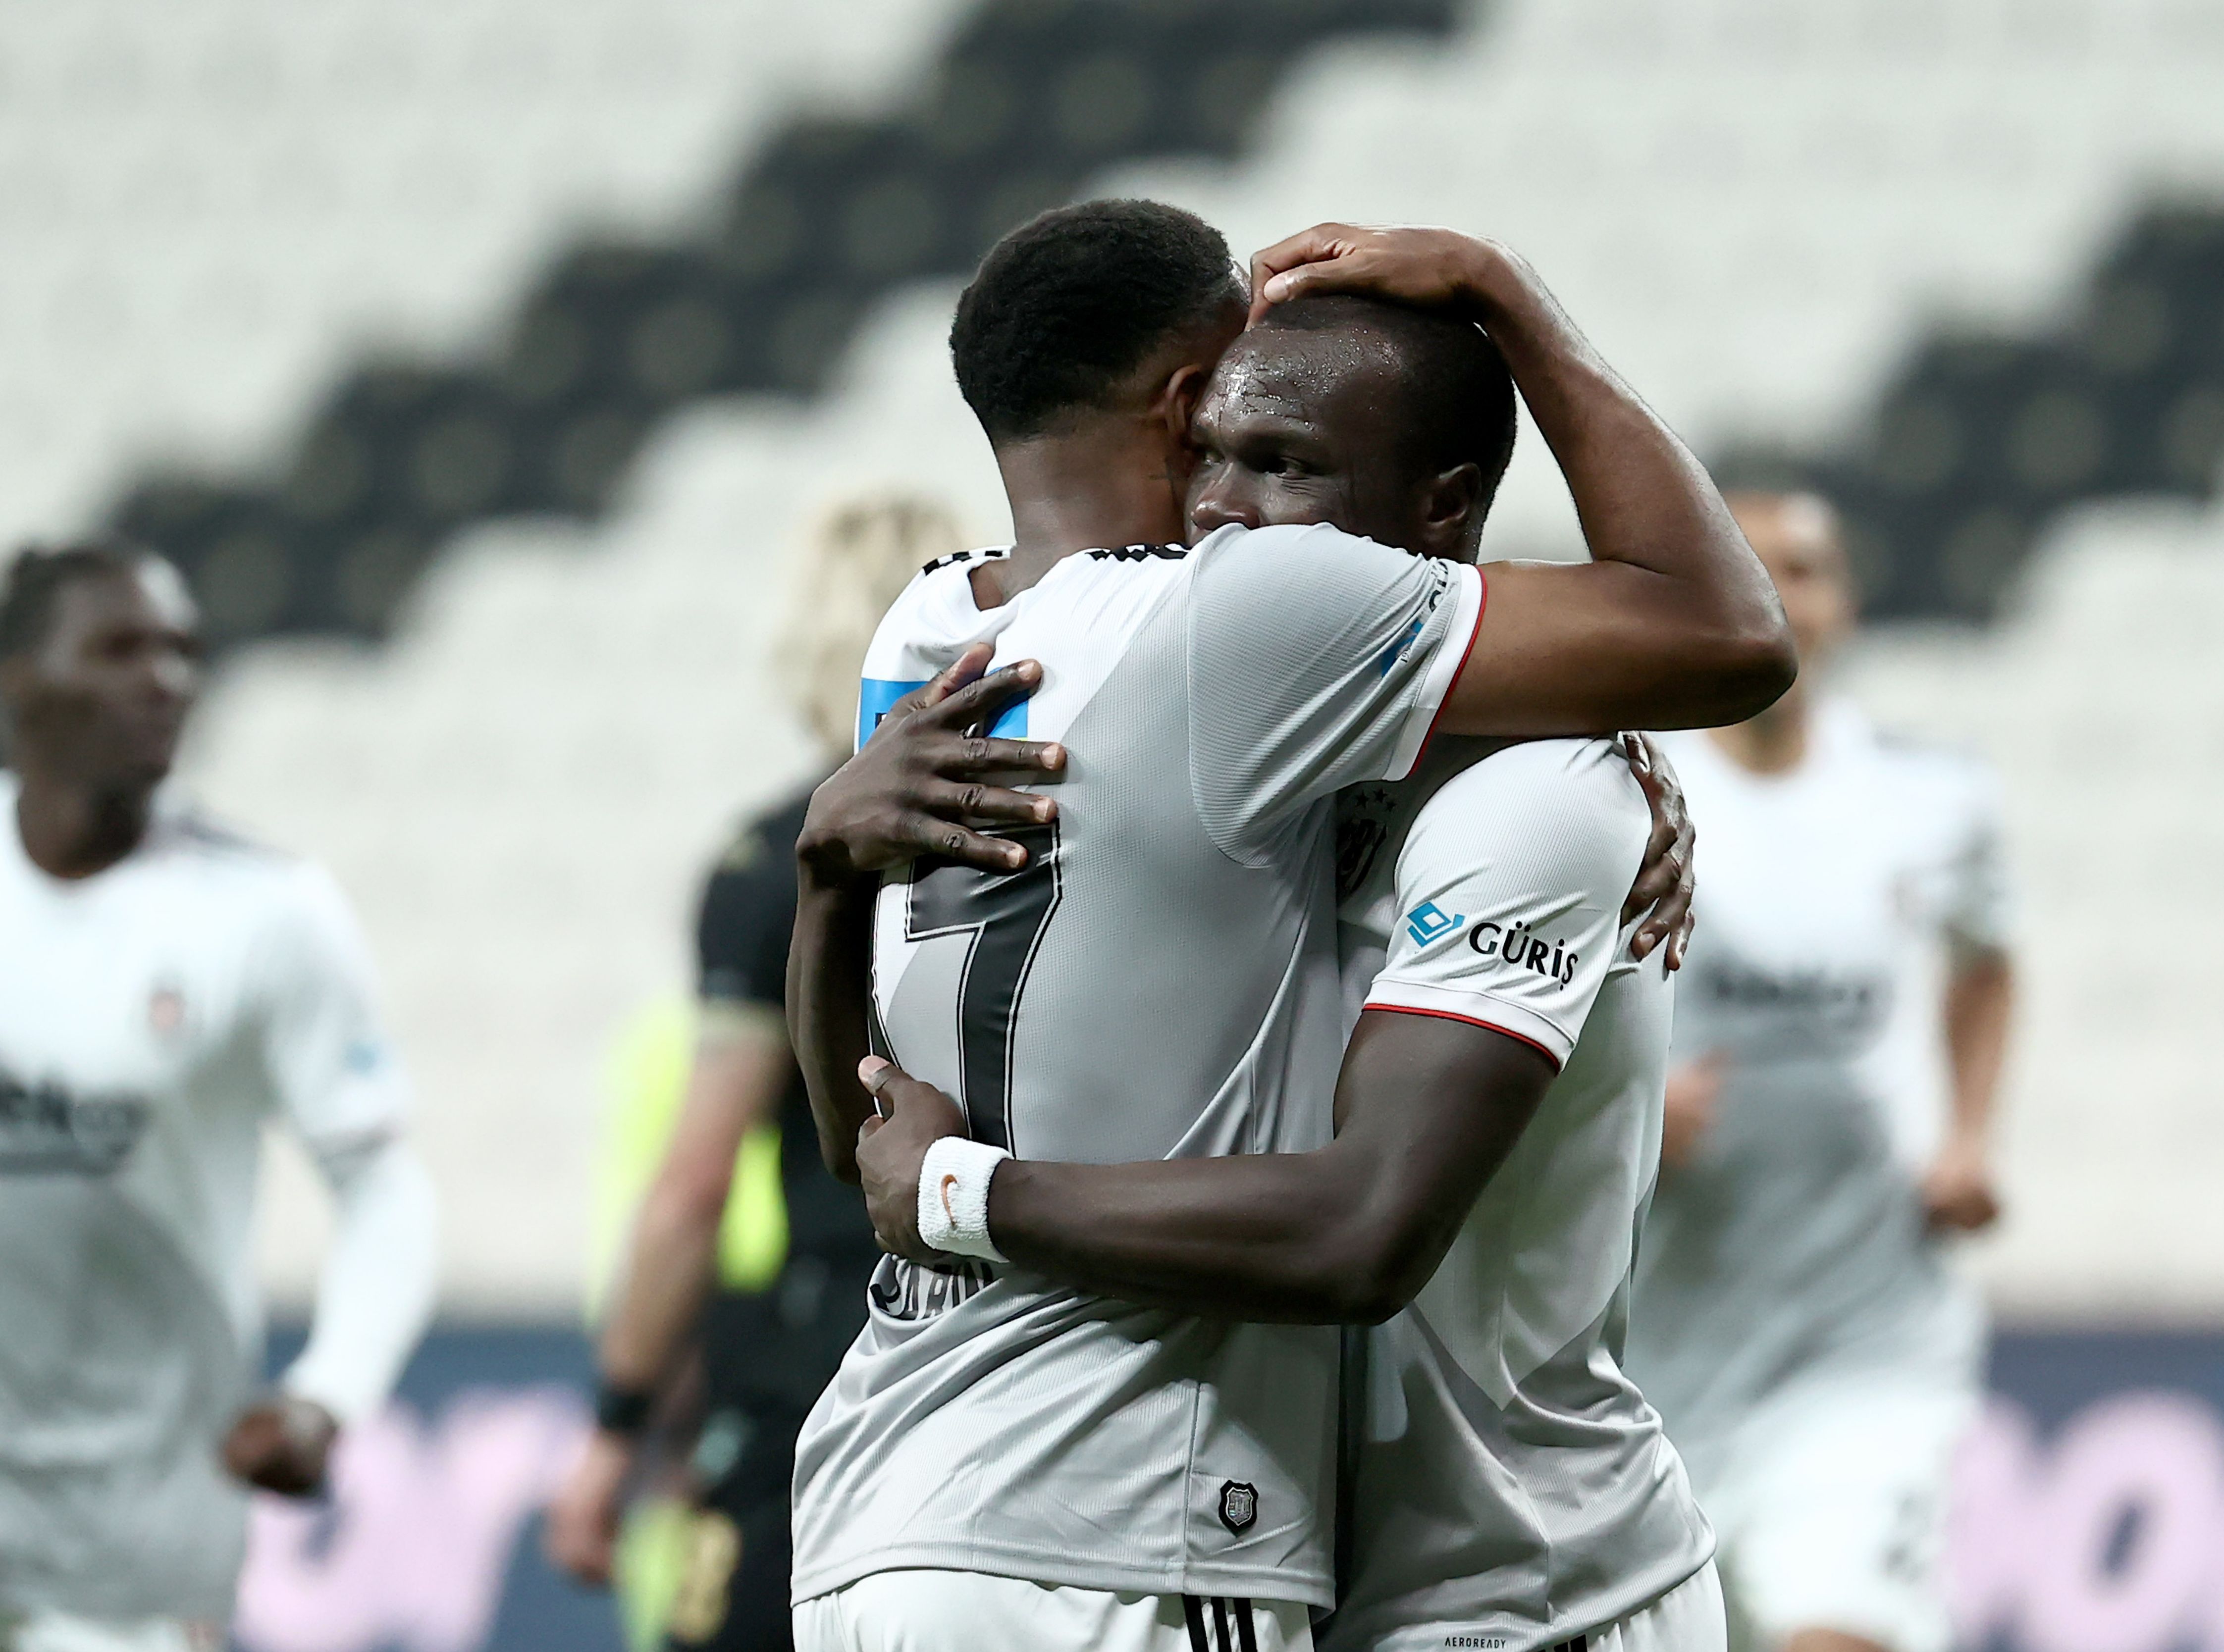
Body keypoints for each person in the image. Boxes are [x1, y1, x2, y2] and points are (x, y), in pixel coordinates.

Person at [784, 203, 1790, 1652]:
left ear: (1440, 514)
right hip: (1146, 1525)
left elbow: (1358, 1221)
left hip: (1526, 1588)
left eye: (1282, 468)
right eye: (1217, 458)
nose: (1225, 513)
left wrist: (1606, 742)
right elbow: (1716, 632)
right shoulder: (1237, 665)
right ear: (1184, 402)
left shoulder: (935, 635)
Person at [544, 496, 968, 1652]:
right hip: (1011, 1341)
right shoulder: (1040, 824)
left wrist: (617, 1426)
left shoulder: (778, 862)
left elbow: (693, 1189)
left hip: (829, 1355)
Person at [0, 540, 438, 1652]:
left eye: (182, 651)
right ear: (16, 680)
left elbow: (386, 1194)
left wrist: (325, 1397)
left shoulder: (263, 913)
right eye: (118, 649)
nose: (165, 679)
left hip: (127, 1550)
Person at [1624, 492, 2013, 1652]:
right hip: (1653, 1340)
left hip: (1867, 1331)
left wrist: (1969, 1137)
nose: (1784, 595)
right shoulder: (1625, 793)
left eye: (1808, 570)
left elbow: (1989, 965)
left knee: (1838, 1632)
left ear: (1844, 604)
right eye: (1753, 567)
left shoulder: (1930, 795)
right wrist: (1627, 1104)